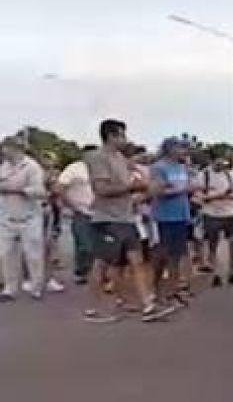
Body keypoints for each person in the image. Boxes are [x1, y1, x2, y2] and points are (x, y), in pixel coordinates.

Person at [83, 120, 172, 322]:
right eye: (121, 135)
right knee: (102, 263)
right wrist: (134, 187)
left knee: (136, 261)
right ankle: (93, 308)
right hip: (107, 219)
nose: (125, 139)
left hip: (126, 218)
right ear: (111, 136)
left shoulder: (121, 159)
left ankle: (147, 305)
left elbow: (129, 189)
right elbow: (102, 189)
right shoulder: (98, 158)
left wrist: (148, 190)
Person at [149, 137, 197, 307]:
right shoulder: (158, 167)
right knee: (162, 255)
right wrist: (181, 189)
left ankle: (173, 290)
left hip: (181, 216)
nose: (184, 152)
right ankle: (156, 289)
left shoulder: (182, 167)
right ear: (170, 149)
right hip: (164, 216)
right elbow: (157, 191)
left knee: (177, 255)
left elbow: (188, 188)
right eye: (180, 148)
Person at [0, 137, 48, 300]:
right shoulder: (3, 167)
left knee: (33, 255)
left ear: (15, 148)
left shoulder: (32, 167)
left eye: (5, 148)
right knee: (6, 254)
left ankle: (36, 287)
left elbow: (40, 191)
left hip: (30, 217)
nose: (3, 151)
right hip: (6, 217)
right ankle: (9, 288)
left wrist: (17, 189)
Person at [199, 155, 233, 287]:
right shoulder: (204, 175)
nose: (221, 165)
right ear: (212, 161)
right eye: (218, 162)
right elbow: (201, 196)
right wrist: (222, 195)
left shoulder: (228, 175)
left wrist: (218, 196)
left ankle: (232, 272)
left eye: (223, 163)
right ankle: (216, 274)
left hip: (229, 214)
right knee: (213, 244)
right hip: (211, 214)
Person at [55, 157, 95, 285]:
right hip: (81, 212)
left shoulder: (102, 167)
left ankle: (99, 274)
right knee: (84, 245)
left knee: (102, 245)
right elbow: (59, 187)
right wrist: (71, 205)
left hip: (102, 212)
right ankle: (81, 271)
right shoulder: (75, 168)